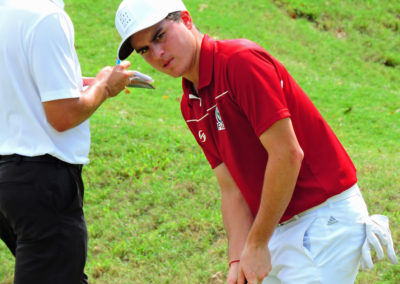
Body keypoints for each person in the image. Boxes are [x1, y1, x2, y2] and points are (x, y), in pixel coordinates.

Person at [114, 0, 398, 283]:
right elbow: (232, 190)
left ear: (186, 20)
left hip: (323, 217)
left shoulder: (239, 61)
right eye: (144, 50)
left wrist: (258, 243)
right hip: (277, 225)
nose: (158, 53)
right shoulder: (190, 103)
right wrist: (237, 261)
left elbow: (287, 154)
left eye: (160, 36)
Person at [0, 0, 135, 283]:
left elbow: (21, 87)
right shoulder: (46, 16)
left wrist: (76, 83)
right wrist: (104, 87)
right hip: (41, 180)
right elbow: (63, 115)